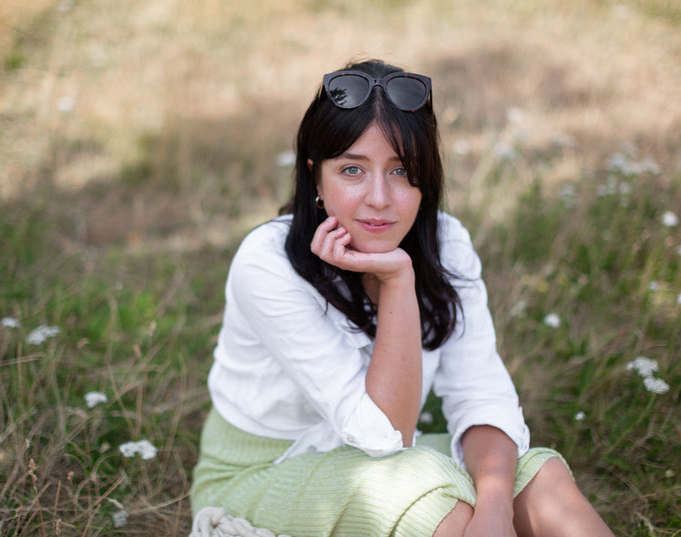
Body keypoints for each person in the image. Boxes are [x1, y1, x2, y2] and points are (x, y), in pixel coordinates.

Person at [190, 58, 615, 537]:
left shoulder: (448, 243)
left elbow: (481, 395)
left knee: (538, 477)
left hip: (375, 462)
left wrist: (495, 511)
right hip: (260, 471)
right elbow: (386, 438)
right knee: (432, 499)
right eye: (352, 169)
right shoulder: (268, 262)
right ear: (315, 177)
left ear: (425, 178)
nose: (379, 198)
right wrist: (396, 282)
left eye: (401, 171)